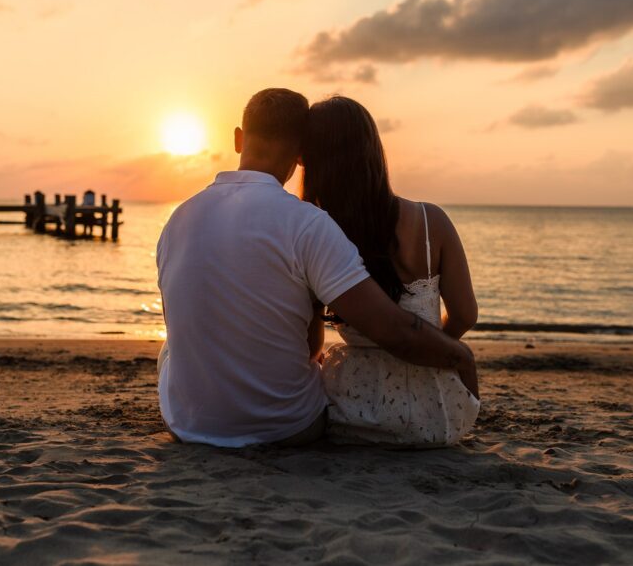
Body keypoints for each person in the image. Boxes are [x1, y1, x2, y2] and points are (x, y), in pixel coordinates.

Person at [156, 88, 476, 448]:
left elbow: (178, 323)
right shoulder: (308, 224)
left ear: (238, 139)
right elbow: (396, 328)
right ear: (299, 154)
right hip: (286, 428)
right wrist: (457, 355)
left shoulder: (177, 219)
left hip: (186, 423)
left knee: (170, 345)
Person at [302, 96, 480, 447]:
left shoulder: (321, 233)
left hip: (354, 412)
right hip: (437, 414)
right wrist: (428, 349)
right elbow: (466, 314)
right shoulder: (433, 221)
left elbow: (311, 344)